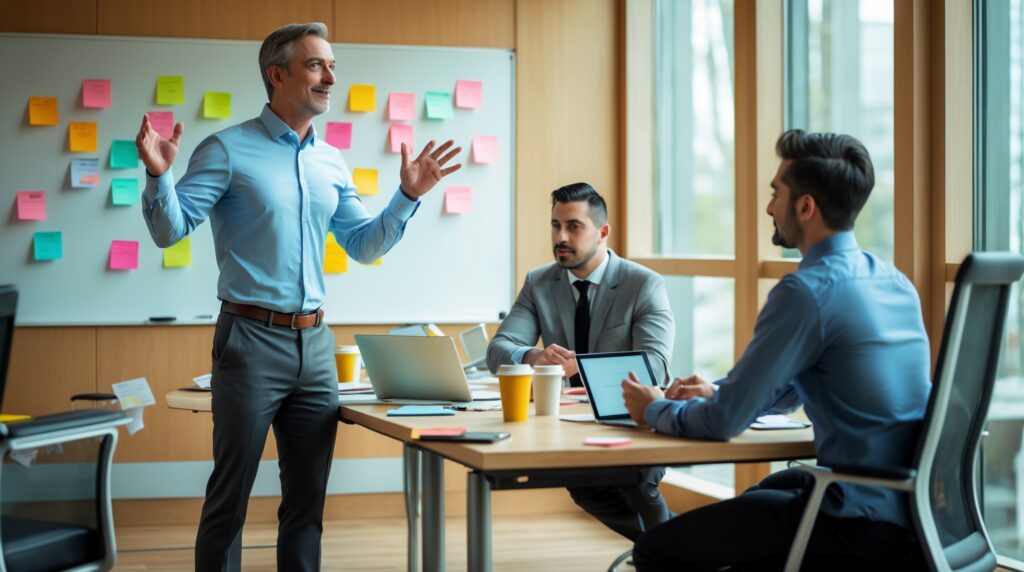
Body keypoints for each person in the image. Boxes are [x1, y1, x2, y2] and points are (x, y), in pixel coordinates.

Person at [136, 22, 461, 571]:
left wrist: (407, 196)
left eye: (332, 66)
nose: (330, 76)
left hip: (316, 347)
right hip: (249, 341)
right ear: (277, 74)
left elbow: (362, 245)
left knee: (307, 504)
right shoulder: (227, 148)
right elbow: (170, 231)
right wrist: (159, 178)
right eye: (316, 65)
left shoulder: (330, 162)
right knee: (229, 497)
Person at [622, 129, 929, 571]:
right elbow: (797, 384)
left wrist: (653, 409)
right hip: (906, 507)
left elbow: (724, 424)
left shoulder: (808, 291)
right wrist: (720, 389)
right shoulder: (894, 281)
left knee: (655, 549)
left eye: (775, 193)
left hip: (853, 522)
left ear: (805, 207)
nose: (768, 207)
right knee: (757, 502)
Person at [487, 182, 674, 541]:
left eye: (574, 226)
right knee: (582, 486)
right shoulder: (539, 282)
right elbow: (498, 351)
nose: (561, 236)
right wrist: (532, 355)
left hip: (634, 418)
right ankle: (676, 551)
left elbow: (655, 366)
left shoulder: (644, 284)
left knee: (638, 485)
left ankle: (672, 553)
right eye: (556, 225)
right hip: (571, 425)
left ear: (603, 232)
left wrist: (583, 366)